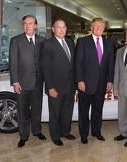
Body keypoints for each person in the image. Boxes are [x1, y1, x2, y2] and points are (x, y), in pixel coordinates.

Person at [75, 17, 114, 144]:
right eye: (96, 26)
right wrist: (79, 80)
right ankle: (84, 134)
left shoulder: (108, 43)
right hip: (85, 84)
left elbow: (110, 64)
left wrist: (110, 80)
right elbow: (78, 63)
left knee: (98, 110)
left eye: (101, 26)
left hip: (101, 84)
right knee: (84, 111)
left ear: (104, 28)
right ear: (91, 27)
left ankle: (96, 132)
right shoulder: (82, 41)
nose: (98, 28)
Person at [9, 15, 46, 148]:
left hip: (38, 83)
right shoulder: (16, 41)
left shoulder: (43, 41)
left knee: (37, 109)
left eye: (30, 23)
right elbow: (13, 63)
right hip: (22, 84)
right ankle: (23, 136)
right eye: (25, 23)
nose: (27, 25)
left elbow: (45, 63)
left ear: (35, 25)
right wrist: (15, 82)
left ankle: (37, 131)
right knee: (22, 111)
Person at [40, 18, 76, 146]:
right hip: (55, 87)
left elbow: (72, 65)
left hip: (70, 86)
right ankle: (55, 136)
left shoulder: (70, 42)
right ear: (53, 29)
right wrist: (50, 87)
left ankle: (65, 132)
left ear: (66, 29)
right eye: (58, 27)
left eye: (64, 27)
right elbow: (45, 67)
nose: (61, 29)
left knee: (67, 111)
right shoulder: (48, 44)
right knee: (55, 113)